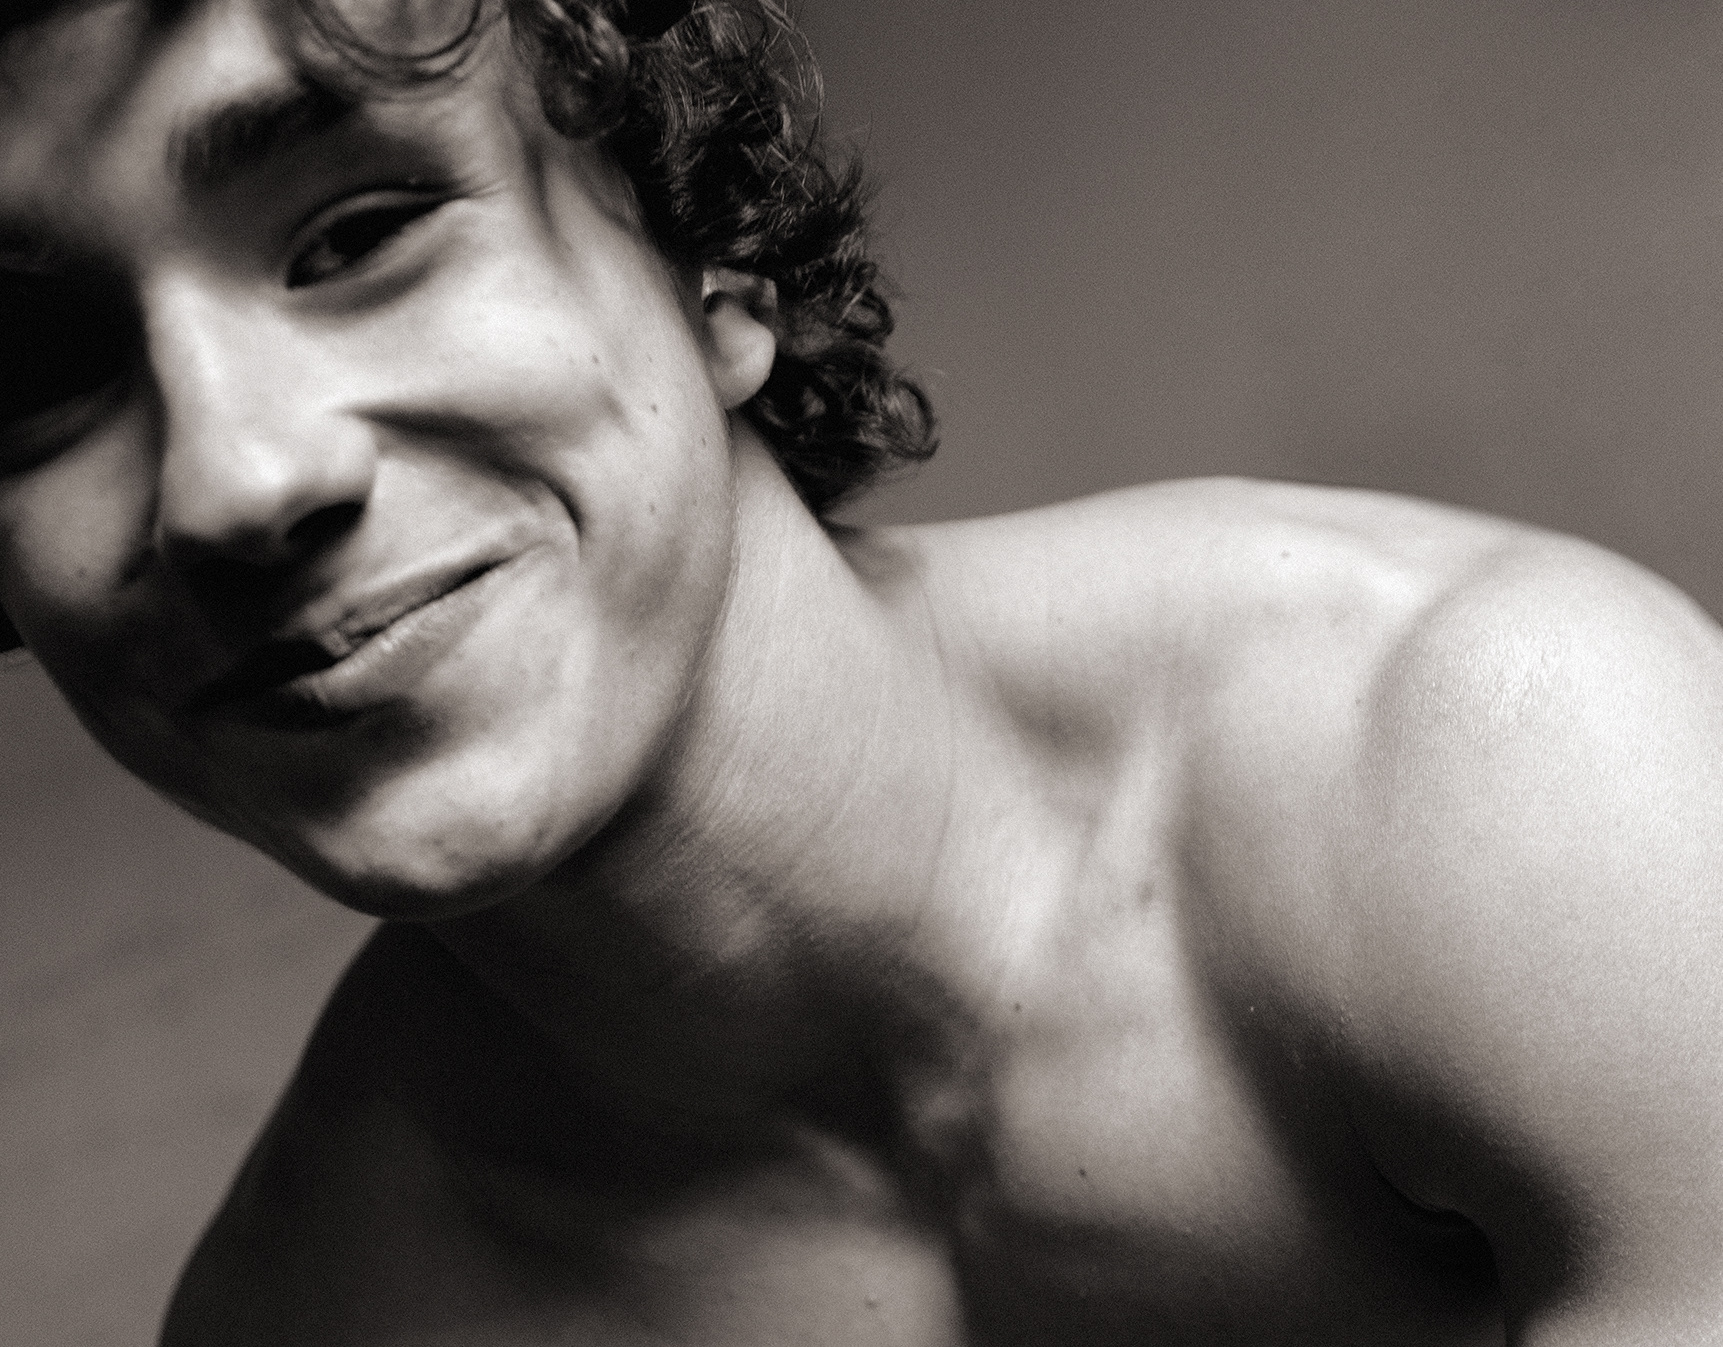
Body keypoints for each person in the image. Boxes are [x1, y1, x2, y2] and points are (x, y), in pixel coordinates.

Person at [3, 0, 1720, 1341]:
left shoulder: (1506, 780)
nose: (234, 480)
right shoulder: (318, 1314)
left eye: (358, 232)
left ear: (710, 257)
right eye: (34, 375)